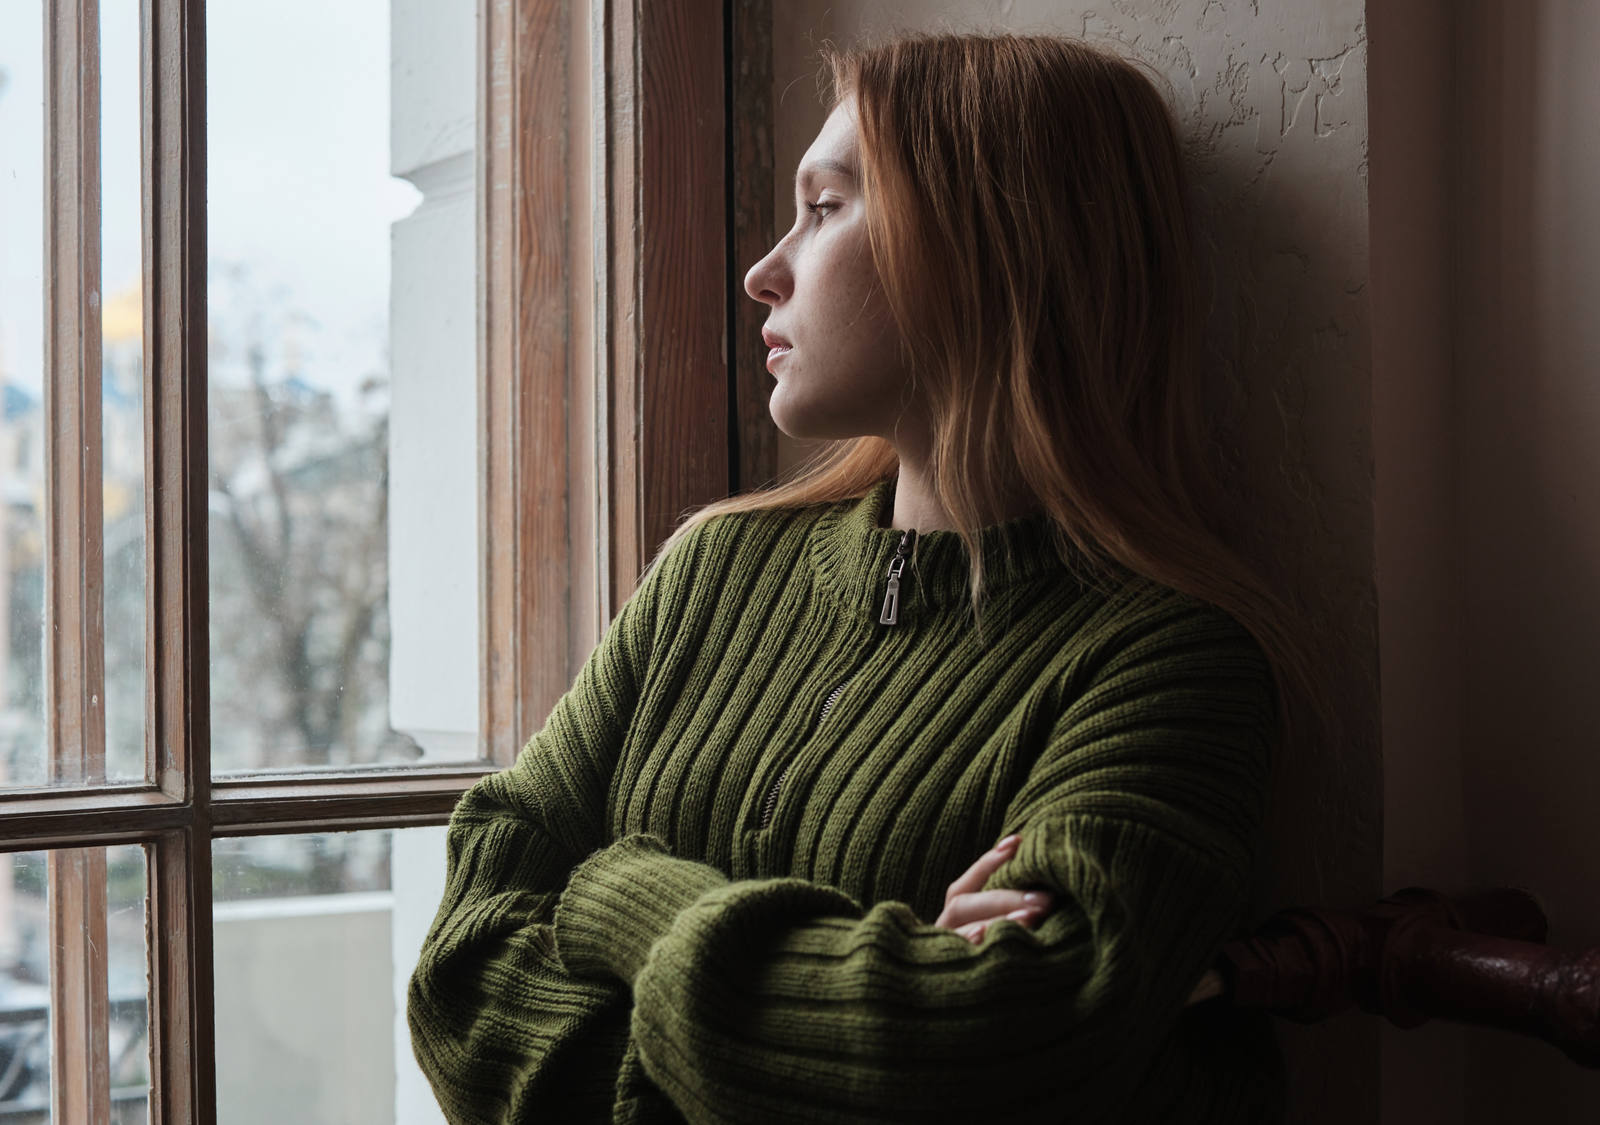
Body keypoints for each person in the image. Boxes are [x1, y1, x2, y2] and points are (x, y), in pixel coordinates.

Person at [408, 30, 1316, 1124]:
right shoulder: (714, 572)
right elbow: (462, 963)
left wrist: (617, 889)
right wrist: (808, 1029)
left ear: (987, 246)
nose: (762, 270)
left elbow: (980, 1055)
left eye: (826, 207)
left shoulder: (1167, 666)